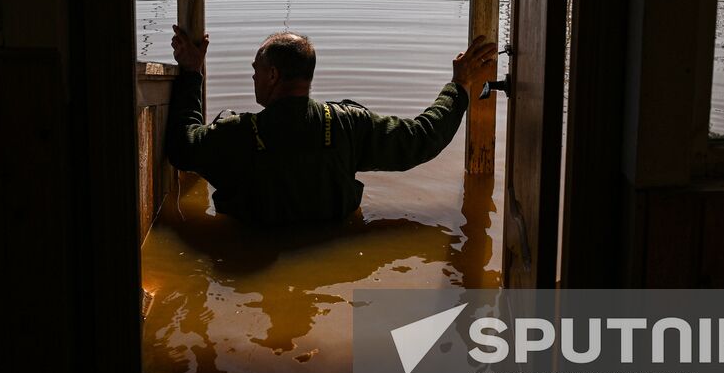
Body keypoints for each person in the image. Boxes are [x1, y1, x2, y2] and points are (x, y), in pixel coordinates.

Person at [166, 25, 499, 226]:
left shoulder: (234, 134)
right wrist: (458, 86)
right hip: (333, 238)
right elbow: (423, 139)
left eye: (256, 69)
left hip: (247, 251)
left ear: (272, 75)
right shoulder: (346, 126)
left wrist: (192, 74)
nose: (252, 76)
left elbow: (182, 147)